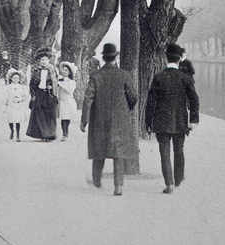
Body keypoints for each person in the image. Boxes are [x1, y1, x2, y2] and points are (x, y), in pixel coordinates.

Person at [80, 43, 137, 196]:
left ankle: (97, 181)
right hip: (120, 119)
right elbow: (133, 97)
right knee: (119, 152)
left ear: (103, 57)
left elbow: (88, 99)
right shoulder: (124, 75)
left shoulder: (96, 75)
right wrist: (127, 109)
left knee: (99, 149)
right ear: (115, 57)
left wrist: (84, 119)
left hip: (99, 118)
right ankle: (118, 186)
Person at [145, 42, 199, 194]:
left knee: (164, 151)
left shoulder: (159, 77)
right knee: (179, 149)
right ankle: (179, 179)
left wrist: (148, 121)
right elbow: (194, 99)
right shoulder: (185, 78)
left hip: (161, 121)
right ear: (179, 59)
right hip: (180, 120)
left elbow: (150, 102)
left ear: (165, 57)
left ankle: (169, 183)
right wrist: (194, 120)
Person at [26, 47, 58, 141]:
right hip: (39, 93)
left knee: (49, 114)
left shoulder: (52, 69)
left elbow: (55, 82)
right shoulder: (35, 70)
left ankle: (50, 134)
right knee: (39, 114)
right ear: (39, 60)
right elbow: (32, 83)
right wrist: (33, 95)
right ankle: (42, 134)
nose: (44, 61)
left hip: (49, 94)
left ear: (48, 60)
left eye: (45, 59)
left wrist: (51, 87)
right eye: (42, 59)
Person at [4, 68, 28, 142]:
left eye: (17, 78)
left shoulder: (22, 87)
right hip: (10, 105)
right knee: (11, 120)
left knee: (18, 120)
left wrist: (20, 99)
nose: (16, 79)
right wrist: (6, 102)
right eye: (14, 78)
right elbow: (5, 96)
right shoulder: (8, 87)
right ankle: (12, 130)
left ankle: (18, 135)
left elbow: (25, 96)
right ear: (11, 79)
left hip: (18, 105)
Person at [57, 61, 77, 141]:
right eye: (63, 70)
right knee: (63, 117)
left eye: (66, 70)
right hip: (62, 101)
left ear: (69, 72)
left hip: (68, 101)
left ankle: (66, 131)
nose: (63, 71)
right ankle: (64, 133)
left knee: (67, 117)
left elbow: (69, 91)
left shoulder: (72, 82)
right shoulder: (60, 80)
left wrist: (62, 85)